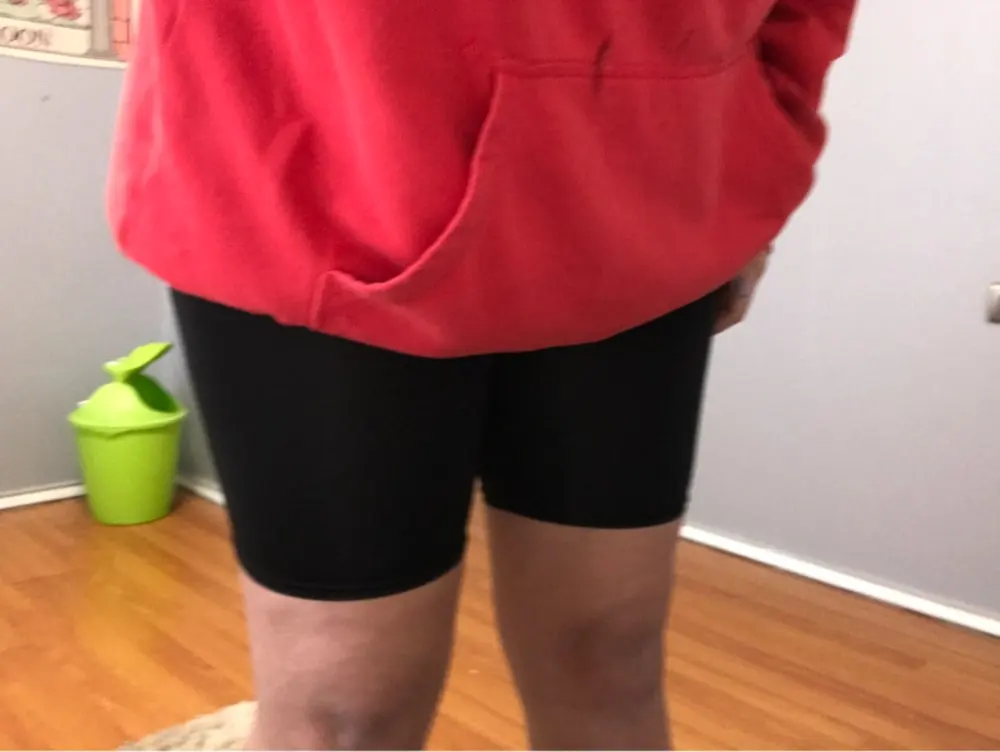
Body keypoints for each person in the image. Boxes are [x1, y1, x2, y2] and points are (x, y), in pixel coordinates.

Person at [108, 1, 856, 748]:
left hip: (651, 178)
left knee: (607, 654)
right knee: (342, 709)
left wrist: (763, 151)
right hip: (312, 147)